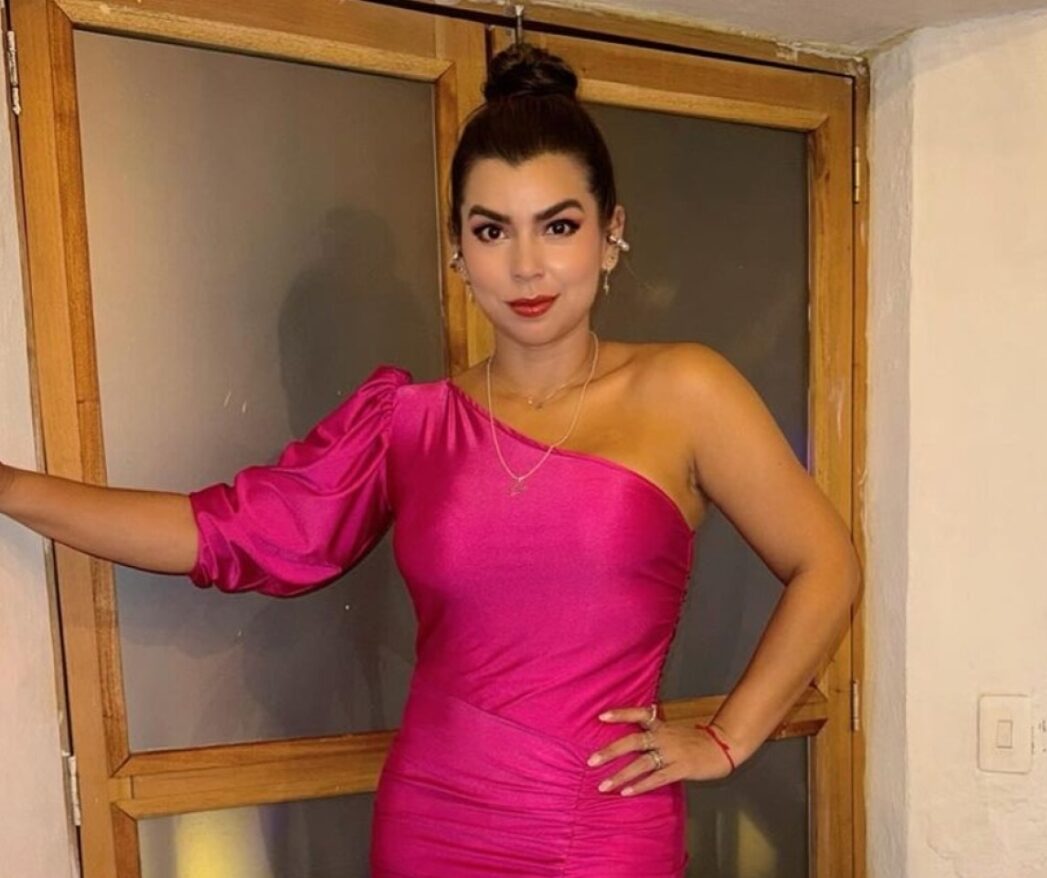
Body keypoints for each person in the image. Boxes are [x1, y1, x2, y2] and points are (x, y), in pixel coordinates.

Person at [0, 43, 859, 877]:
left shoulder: (687, 391)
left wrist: (726, 738)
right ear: (457, 248)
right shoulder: (408, 425)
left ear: (611, 233)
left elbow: (826, 565)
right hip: (434, 821)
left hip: (603, 827)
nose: (526, 265)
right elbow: (221, 533)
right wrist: (11, 487)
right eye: (492, 230)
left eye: (559, 226)